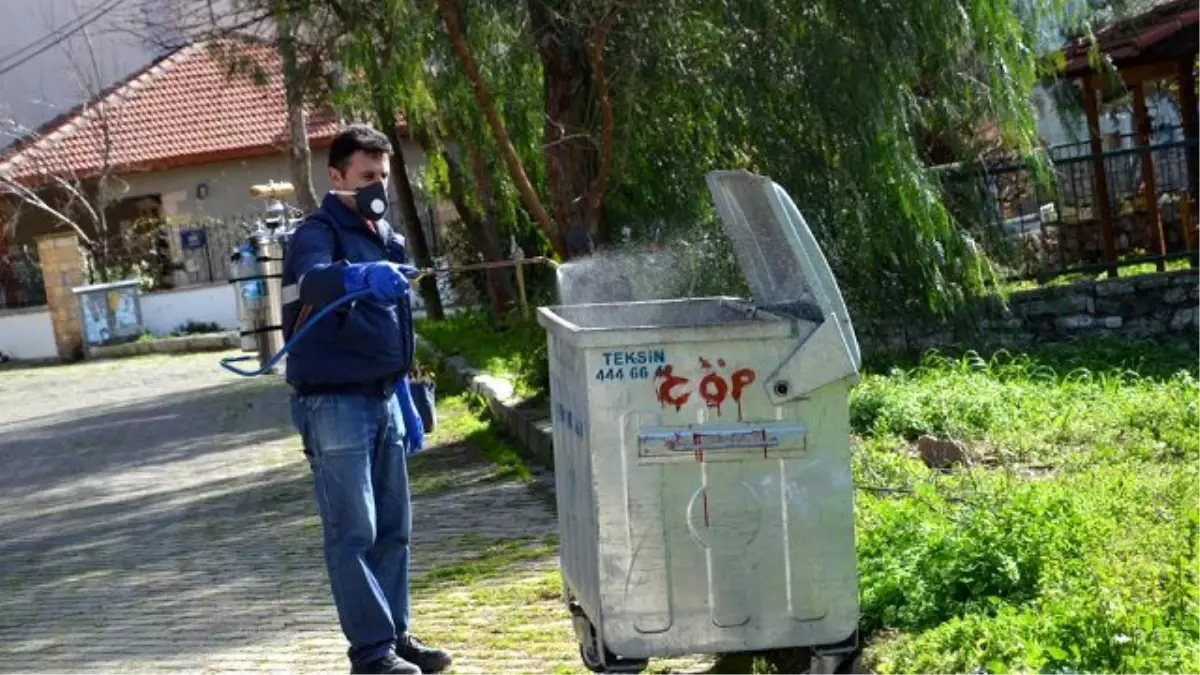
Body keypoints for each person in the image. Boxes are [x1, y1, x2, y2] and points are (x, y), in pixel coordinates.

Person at [280, 124, 452, 675]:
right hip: (334, 405)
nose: (377, 186)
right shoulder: (316, 232)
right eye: (366, 177)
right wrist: (358, 275)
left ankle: (397, 636)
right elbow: (311, 281)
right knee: (353, 532)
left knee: (393, 531)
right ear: (336, 178)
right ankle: (372, 655)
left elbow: (391, 324)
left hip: (382, 399)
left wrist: (404, 389)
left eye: (383, 176)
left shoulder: (388, 237)